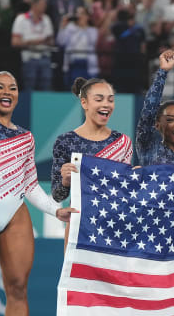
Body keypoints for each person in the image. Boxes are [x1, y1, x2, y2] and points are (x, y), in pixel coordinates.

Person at [0, 0, 74, 316]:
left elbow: (29, 185)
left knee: (18, 288)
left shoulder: (25, 138)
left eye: (13, 87)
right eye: (0, 87)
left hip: (15, 211)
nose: (7, 91)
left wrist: (57, 211)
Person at [51, 76, 133, 250]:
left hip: (115, 227)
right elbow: (58, 195)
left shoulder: (122, 142)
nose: (106, 104)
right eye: (99, 99)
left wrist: (136, 178)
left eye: (110, 100)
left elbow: (125, 191)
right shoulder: (65, 141)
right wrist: (65, 181)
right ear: (84, 103)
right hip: (80, 225)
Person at [11, 0, 54, 91]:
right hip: (29, 57)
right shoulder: (21, 19)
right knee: (30, 87)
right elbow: (15, 42)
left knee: (46, 87)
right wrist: (34, 42)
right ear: (34, 5)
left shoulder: (46, 19)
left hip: (44, 56)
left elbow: (51, 41)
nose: (45, 7)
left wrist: (46, 41)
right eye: (42, 4)